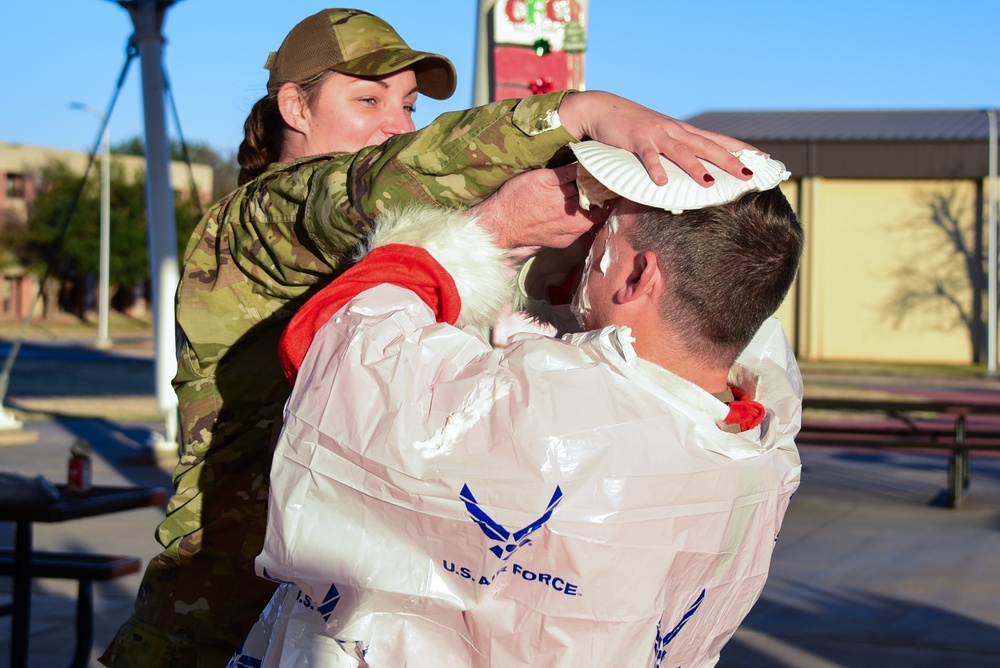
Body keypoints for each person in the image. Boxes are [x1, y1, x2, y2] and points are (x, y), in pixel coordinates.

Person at [101, 7, 764, 665]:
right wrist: (579, 113)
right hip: (215, 621)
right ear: (294, 107)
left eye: (410, 104)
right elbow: (372, 185)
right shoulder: (261, 219)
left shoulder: (403, 244)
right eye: (368, 99)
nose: (397, 123)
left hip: (335, 616)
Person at [231, 146, 805, 667]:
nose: (591, 247)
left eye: (607, 237)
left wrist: (493, 230)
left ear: (638, 275)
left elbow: (338, 344)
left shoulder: (533, 413)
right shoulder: (762, 453)